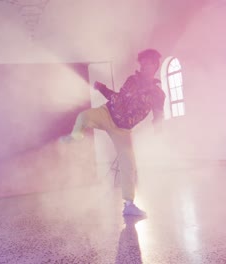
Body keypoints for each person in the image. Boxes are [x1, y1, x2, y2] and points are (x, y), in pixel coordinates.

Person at [60, 49, 165, 217]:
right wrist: (102, 88)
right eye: (143, 63)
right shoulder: (132, 80)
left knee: (128, 164)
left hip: (123, 130)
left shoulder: (158, 94)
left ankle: (129, 205)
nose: (145, 66)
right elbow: (118, 98)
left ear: (155, 66)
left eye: (149, 63)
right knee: (84, 116)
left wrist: (158, 128)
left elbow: (159, 113)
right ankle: (75, 135)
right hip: (107, 113)